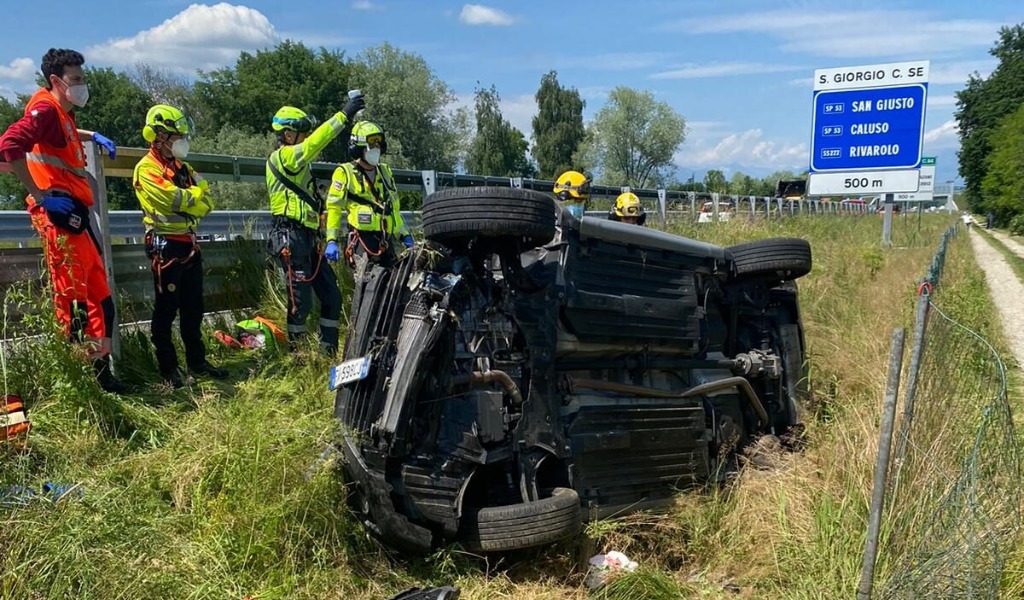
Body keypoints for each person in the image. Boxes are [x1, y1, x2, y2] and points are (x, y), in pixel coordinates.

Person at [0, 48, 127, 393]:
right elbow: (8, 146)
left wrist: (91, 136)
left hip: (75, 215)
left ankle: (102, 377)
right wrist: (41, 197)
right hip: (58, 214)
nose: (82, 85)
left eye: (83, 78)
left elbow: (64, 136)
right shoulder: (45, 109)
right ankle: (79, 382)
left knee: (101, 298)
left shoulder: (62, 114)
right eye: (76, 79)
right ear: (56, 81)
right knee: (74, 303)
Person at [133, 104, 227, 388]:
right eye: (176, 136)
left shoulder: (184, 168)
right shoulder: (146, 169)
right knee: (166, 309)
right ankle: (169, 369)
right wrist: (193, 198)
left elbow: (208, 201)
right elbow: (172, 199)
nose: (182, 142)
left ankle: (197, 362)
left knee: (193, 308)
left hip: (189, 243)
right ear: (158, 136)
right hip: (165, 246)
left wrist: (192, 197)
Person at [266, 93, 365, 354]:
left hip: (309, 238)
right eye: (303, 134)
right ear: (289, 135)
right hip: (290, 236)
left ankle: (327, 351)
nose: (307, 139)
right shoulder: (284, 157)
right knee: (300, 302)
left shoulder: (299, 165)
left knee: (331, 294)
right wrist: (344, 115)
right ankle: (298, 355)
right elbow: (315, 144)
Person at [327, 120, 412, 275]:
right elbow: (334, 208)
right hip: (361, 240)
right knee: (367, 286)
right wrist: (331, 240)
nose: (376, 148)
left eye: (379, 143)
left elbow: (394, 209)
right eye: (372, 144)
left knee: (392, 286)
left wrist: (405, 235)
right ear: (358, 147)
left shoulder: (385, 172)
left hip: (385, 239)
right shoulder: (345, 172)